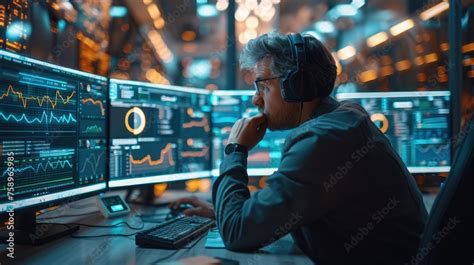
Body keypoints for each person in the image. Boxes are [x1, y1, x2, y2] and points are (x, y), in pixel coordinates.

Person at [170, 31, 428, 265]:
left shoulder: (324, 139)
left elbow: (238, 234)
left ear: (296, 85)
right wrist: (226, 213)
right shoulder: (343, 121)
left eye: (263, 86)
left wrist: (235, 150)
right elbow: (280, 214)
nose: (255, 98)